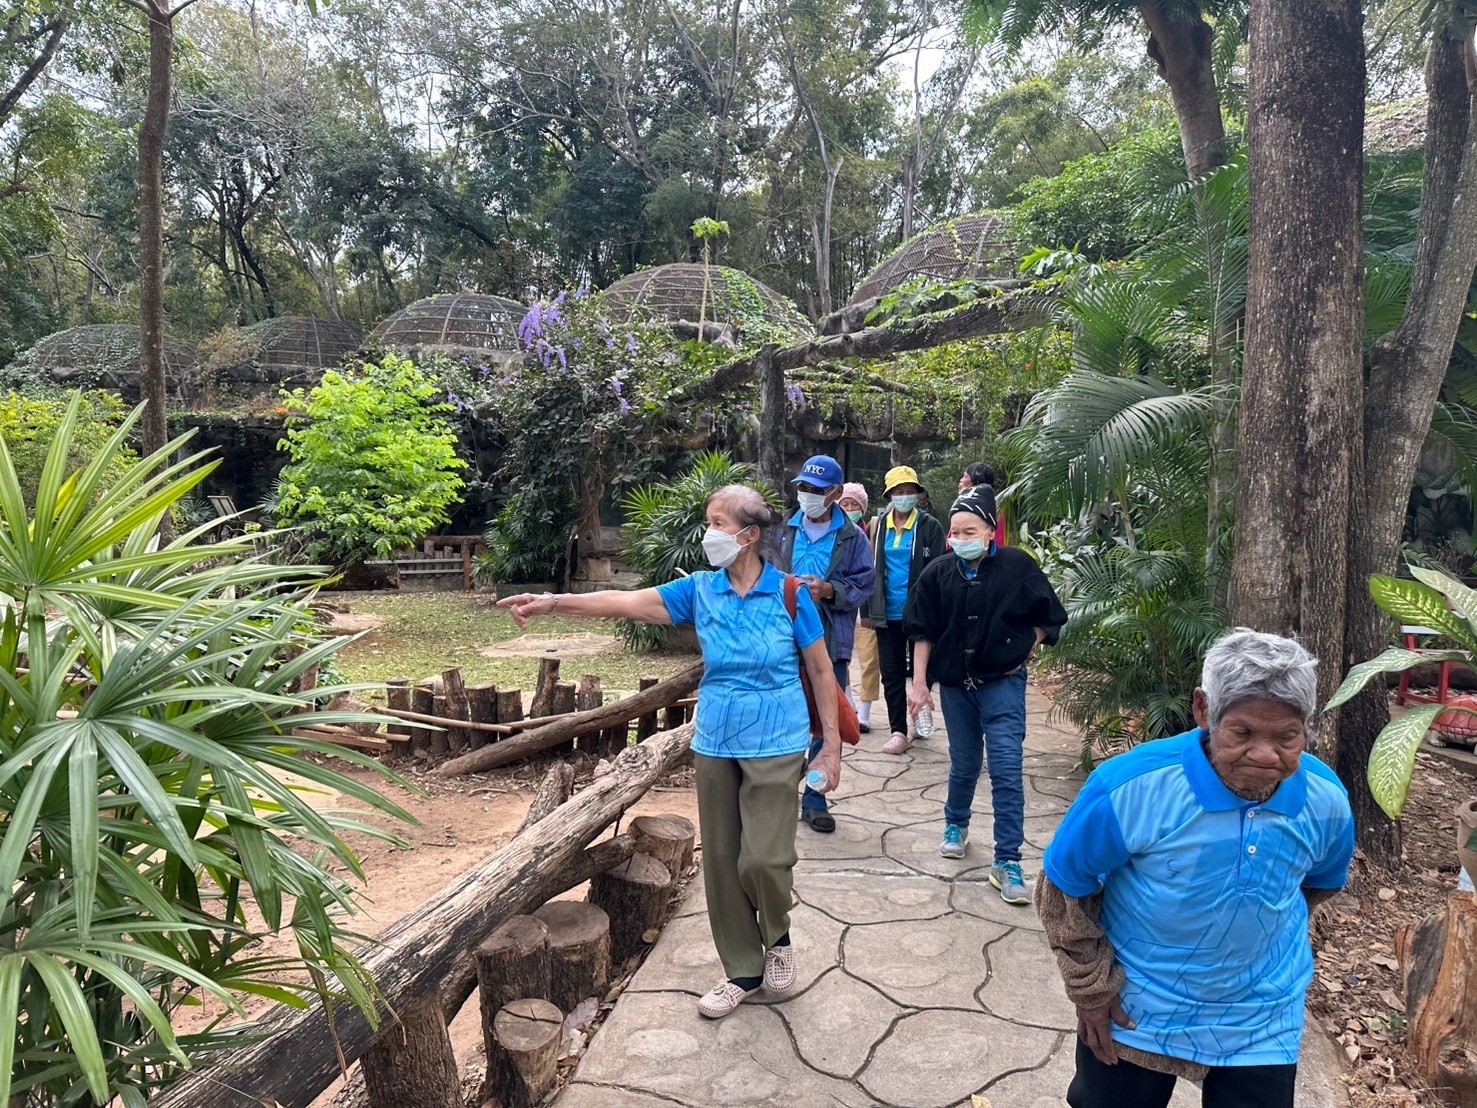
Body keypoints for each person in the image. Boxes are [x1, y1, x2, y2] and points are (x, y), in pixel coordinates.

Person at [499, 484, 842, 1020]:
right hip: (716, 743)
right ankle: (743, 970)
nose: (709, 534)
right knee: (722, 862)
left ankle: (778, 937)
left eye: (718, 523)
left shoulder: (790, 594)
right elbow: (625, 602)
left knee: (765, 860)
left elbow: (821, 671)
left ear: (750, 536)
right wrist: (553, 603)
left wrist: (831, 750)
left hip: (779, 743)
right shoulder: (700, 590)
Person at [1037, 630, 1355, 1108]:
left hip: (1261, 1017)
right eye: (1242, 733)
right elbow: (1064, 889)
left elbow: (1317, 884)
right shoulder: (1130, 787)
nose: (1265, 754)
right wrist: (1092, 991)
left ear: (1307, 727)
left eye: (1287, 737)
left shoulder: (1325, 800)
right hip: (1137, 1009)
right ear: (1204, 710)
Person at [905, 484, 1067, 902]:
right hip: (956, 689)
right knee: (964, 764)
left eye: (969, 531)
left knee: (1007, 770)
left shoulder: (1017, 567)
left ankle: (1008, 859)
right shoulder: (937, 574)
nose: (960, 539)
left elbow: (1050, 616)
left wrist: (1025, 646)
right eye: (955, 532)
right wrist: (920, 686)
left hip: (1002, 686)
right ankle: (956, 824)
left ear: (990, 531)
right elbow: (922, 632)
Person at [778, 455, 875, 834]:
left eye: (817, 490)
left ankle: (816, 798)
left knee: (825, 719)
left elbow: (865, 584)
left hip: (830, 639)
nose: (808, 495)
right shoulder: (783, 530)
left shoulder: (853, 537)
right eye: (803, 487)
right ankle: (780, 790)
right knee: (784, 714)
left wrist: (830, 590)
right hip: (783, 637)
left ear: (835, 492)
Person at [863, 465, 947, 754]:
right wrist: (867, 612)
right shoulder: (877, 526)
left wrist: (937, 611)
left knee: (925, 670)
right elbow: (868, 570)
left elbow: (939, 570)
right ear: (890, 495)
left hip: (920, 611)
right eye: (899, 491)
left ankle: (919, 713)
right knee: (892, 673)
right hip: (887, 612)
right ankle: (898, 729)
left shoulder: (930, 526)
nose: (905, 496)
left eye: (910, 491)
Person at [840, 482, 881, 733]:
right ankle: (848, 703)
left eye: (854, 504)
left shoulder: (873, 532)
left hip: (865, 609)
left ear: (862, 509)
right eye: (844, 503)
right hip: (840, 608)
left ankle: (865, 712)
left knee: (869, 661)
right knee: (840, 659)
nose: (849, 508)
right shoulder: (833, 534)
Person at [959, 461, 1008, 548]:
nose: (961, 480)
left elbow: (998, 538)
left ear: (975, 481)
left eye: (965, 476)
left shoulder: (993, 507)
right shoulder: (995, 504)